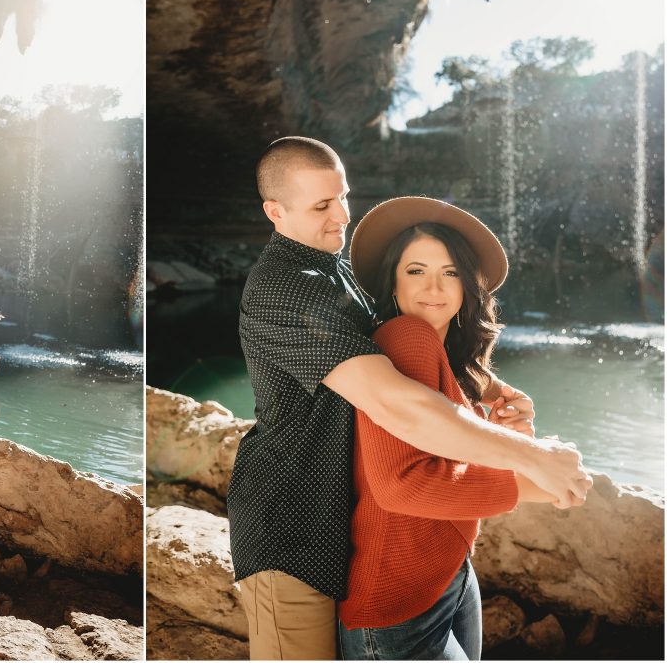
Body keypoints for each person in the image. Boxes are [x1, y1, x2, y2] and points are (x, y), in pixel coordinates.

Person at [226, 137, 592, 660]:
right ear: (274, 211)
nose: (341, 217)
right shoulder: (285, 288)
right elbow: (397, 400)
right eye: (321, 206)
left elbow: (402, 340)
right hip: (294, 529)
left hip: (349, 524)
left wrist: (486, 386)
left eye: (344, 197)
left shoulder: (330, 269)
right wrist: (534, 462)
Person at [338, 197, 558, 659]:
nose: (434, 287)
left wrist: (505, 407)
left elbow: (453, 447)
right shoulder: (406, 337)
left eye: (451, 272)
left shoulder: (444, 355)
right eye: (415, 271)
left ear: (467, 285)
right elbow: (404, 486)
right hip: (398, 606)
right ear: (392, 283)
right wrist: (534, 484)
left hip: (447, 576)